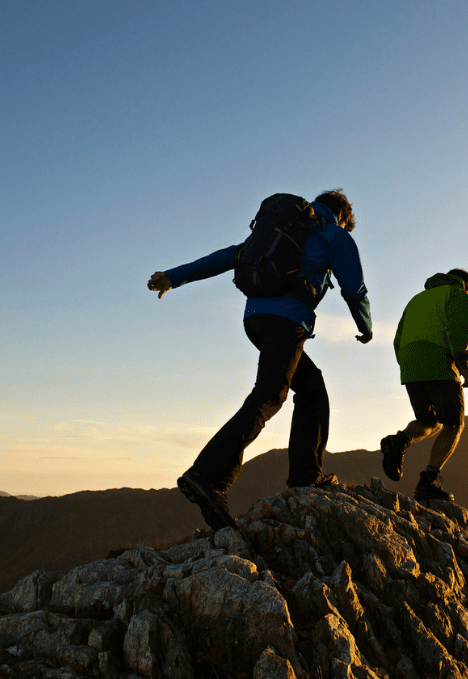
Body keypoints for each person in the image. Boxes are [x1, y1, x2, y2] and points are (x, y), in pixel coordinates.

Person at [147, 189, 373, 530]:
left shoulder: (280, 229)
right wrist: (366, 326)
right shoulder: (332, 233)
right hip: (286, 321)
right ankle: (209, 476)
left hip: (255, 320)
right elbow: (354, 288)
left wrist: (175, 276)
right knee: (269, 395)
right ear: (343, 216)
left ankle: (305, 477)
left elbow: (228, 256)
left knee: (311, 387)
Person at [380, 268, 468, 502]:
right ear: (466, 284)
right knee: (454, 424)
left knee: (430, 421)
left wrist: (407, 366)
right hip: (438, 362)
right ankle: (428, 481)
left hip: (410, 366)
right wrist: (463, 365)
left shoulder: (416, 300)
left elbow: (397, 339)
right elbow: (458, 328)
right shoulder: (456, 293)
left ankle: (399, 441)